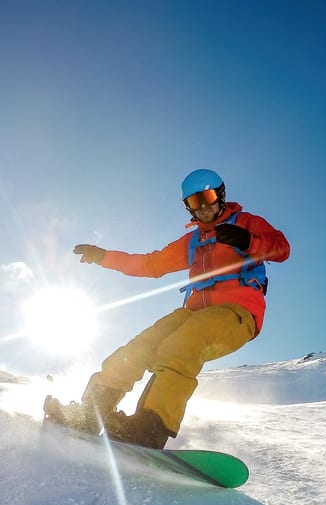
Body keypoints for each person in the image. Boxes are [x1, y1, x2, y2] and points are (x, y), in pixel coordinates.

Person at [44, 168, 290, 448]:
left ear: (221, 196)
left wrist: (248, 241)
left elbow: (282, 248)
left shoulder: (245, 223)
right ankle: (89, 414)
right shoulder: (194, 241)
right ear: (188, 208)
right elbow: (151, 264)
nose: (204, 207)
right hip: (193, 311)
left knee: (182, 345)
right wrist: (103, 256)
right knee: (138, 349)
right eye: (195, 203)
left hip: (238, 311)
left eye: (208, 197)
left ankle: (150, 427)